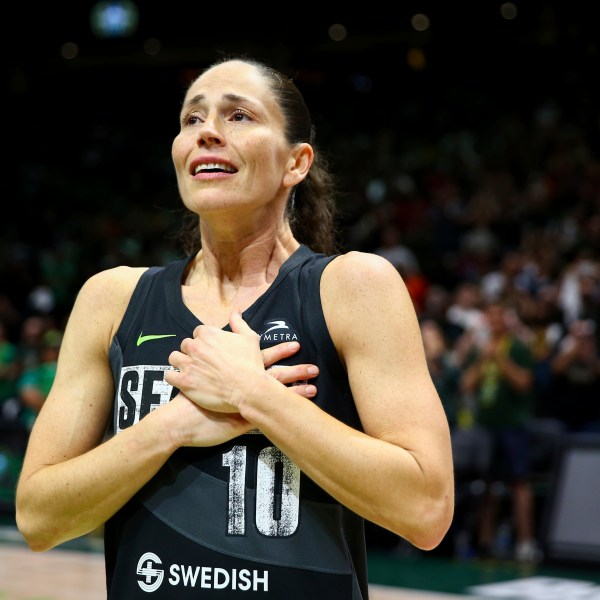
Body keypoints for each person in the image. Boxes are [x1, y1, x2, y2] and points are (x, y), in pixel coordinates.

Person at [15, 56, 454, 599]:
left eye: (239, 116)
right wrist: (173, 425)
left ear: (296, 162)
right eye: (191, 120)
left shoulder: (354, 288)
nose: (207, 134)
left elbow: (427, 509)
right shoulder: (111, 298)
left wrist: (252, 395)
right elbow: (37, 516)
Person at [460, 298, 539, 563]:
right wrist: (484, 359)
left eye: (499, 317)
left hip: (513, 425)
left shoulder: (517, 347)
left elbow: (524, 383)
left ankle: (526, 543)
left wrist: (500, 359)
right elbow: (467, 384)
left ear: (507, 320)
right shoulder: (481, 349)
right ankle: (485, 542)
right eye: (489, 317)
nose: (494, 322)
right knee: (488, 486)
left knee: (520, 482)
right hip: (485, 426)